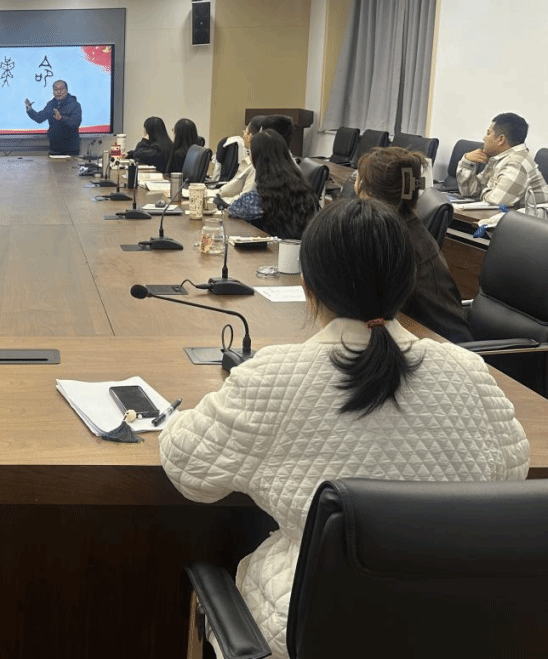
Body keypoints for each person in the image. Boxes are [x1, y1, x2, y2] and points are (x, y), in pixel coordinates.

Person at [159, 198, 529, 659]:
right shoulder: (467, 371)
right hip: (450, 628)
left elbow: (189, 470)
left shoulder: (275, 376)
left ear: (308, 287)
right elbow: (511, 474)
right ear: (407, 282)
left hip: (303, 633)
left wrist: (174, 418)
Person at [356, 147, 472, 342]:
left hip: (438, 345)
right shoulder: (399, 227)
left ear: (365, 189)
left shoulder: (395, 244)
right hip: (411, 333)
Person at [223, 129, 317, 239]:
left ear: (257, 159)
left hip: (271, 248)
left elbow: (234, 210)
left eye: (250, 153)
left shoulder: (257, 198)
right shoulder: (305, 190)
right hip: (300, 247)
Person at [457, 112, 548, 207]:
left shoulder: (517, 163)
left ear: (501, 139)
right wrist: (467, 162)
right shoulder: (498, 158)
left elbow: (497, 203)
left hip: (532, 216)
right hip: (510, 214)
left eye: (488, 133)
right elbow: (470, 192)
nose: (484, 138)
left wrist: (483, 192)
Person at [25, 79, 82, 156]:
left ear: (66, 90)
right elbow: (39, 118)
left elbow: (75, 123)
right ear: (53, 91)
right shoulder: (51, 104)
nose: (59, 92)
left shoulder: (75, 105)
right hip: (54, 148)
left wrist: (61, 119)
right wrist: (29, 110)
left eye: (61, 89)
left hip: (71, 149)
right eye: (56, 89)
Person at [218, 116, 268, 201]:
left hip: (233, 203)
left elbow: (245, 198)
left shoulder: (256, 166)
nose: (243, 133)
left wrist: (220, 200)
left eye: (245, 131)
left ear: (250, 137)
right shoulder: (250, 160)